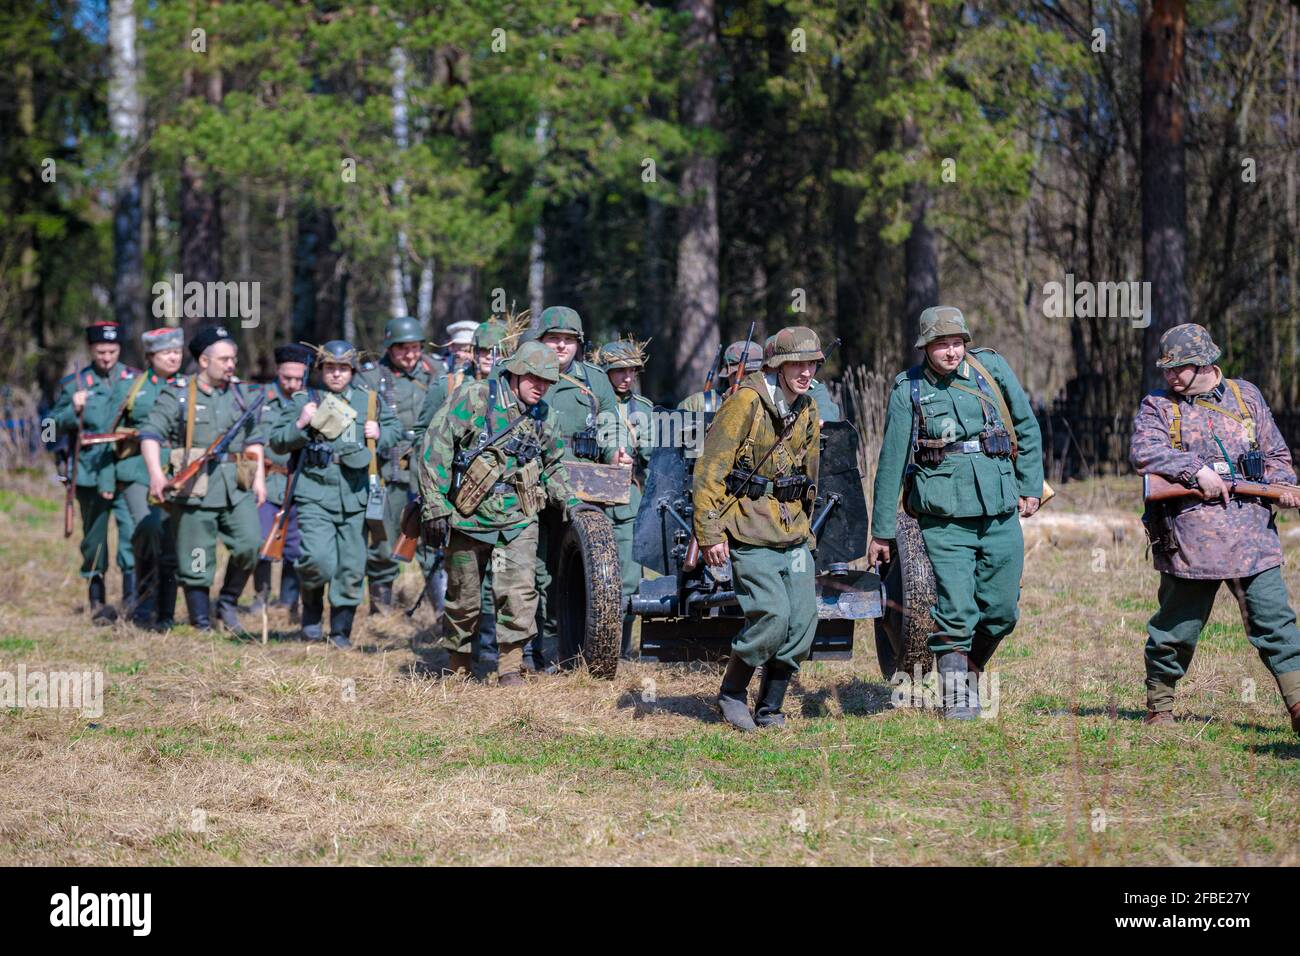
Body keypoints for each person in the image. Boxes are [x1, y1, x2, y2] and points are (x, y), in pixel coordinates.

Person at [868, 306, 1043, 719]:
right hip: (943, 516)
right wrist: (881, 532)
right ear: (925, 347)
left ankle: (970, 670)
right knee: (955, 610)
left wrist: (1030, 486)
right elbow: (891, 462)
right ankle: (959, 696)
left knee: (1001, 610)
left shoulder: (990, 369)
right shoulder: (908, 389)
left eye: (956, 342)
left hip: (1000, 507)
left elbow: (1027, 424)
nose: (951, 352)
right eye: (941, 344)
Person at [1130, 323, 1300, 733]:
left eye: (1180, 368)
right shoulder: (1158, 406)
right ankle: (1160, 708)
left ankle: (1298, 707)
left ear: (1205, 362)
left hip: (1253, 537)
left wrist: (1284, 485)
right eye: (1167, 369)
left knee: (1276, 623)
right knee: (1176, 628)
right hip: (1191, 539)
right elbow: (1144, 451)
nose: (1171, 376)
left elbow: (1274, 450)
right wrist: (1195, 470)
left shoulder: (1246, 396)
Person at [416, 340, 578, 685]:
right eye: (535, 378)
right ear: (516, 372)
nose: (541, 387)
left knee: (518, 593)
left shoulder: (543, 416)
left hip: (517, 520)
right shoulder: (474, 397)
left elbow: (553, 466)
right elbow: (436, 446)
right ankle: (459, 664)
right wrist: (435, 504)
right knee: (463, 596)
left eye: (548, 381)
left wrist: (572, 504)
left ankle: (510, 667)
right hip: (467, 517)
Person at [693, 326, 823, 731]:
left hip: (793, 532)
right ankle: (732, 693)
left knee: (802, 622)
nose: (804, 372)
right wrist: (709, 533)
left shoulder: (808, 408)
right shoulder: (744, 402)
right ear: (777, 366)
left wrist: (808, 531)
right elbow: (710, 469)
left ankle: (770, 706)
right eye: (796, 364)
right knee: (771, 614)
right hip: (750, 528)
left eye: (811, 364)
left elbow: (810, 474)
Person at [270, 340, 399, 648]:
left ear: (352, 370)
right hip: (315, 491)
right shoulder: (305, 398)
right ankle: (311, 616)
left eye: (343, 368)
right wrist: (301, 423)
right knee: (317, 560)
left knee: (351, 567)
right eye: (330, 368)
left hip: (355, 495)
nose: (337, 374)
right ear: (320, 370)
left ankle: (340, 632)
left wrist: (380, 434)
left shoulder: (369, 401)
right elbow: (277, 441)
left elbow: (397, 431)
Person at [138, 325, 268, 632]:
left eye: (233, 358)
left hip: (237, 483)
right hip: (195, 487)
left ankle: (227, 602)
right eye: (224, 359)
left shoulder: (240, 394)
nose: (231, 364)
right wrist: (157, 475)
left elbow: (253, 441)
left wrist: (259, 478)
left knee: (250, 543)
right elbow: (150, 434)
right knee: (196, 557)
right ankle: (200, 622)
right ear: (204, 361)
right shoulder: (180, 394)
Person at [526, 306, 631, 671]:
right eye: (553, 339)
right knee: (532, 570)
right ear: (541, 341)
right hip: (533, 486)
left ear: (578, 344)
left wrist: (618, 453)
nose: (560, 346)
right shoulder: (524, 373)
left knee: (573, 570)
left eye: (568, 340)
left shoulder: (595, 380)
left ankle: (569, 647)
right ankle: (529, 648)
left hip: (583, 487)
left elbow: (610, 425)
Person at [51, 321, 141, 624]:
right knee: (94, 538)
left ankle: (131, 601)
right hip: (89, 472)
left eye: (112, 351)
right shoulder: (74, 383)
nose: (106, 357)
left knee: (132, 533)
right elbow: (47, 429)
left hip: (125, 469)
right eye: (101, 351)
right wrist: (70, 412)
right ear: (91, 350)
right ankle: (97, 601)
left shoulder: (134, 380)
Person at [358, 317, 445, 613]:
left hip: (428, 467)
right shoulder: (371, 378)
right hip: (387, 469)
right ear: (389, 348)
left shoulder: (436, 370)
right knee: (383, 540)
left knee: (433, 539)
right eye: (402, 349)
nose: (410, 355)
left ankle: (440, 611)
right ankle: (381, 609)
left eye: (415, 348)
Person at [116, 327, 187, 629]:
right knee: (147, 529)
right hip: (137, 470)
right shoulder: (133, 386)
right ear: (150, 356)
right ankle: (143, 603)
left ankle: (166, 612)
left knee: (169, 538)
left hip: (178, 470)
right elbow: (110, 432)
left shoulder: (190, 387)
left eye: (177, 351)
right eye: (165, 352)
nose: (173, 357)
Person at [597, 337, 655, 659]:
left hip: (626, 504)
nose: (627, 377)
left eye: (631, 370)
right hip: (588, 499)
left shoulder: (642, 409)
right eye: (619, 371)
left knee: (628, 581)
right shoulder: (587, 403)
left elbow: (653, 460)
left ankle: (620, 651)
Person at [249, 343, 313, 621]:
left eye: (299, 378)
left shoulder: (312, 398)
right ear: (277, 372)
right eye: (287, 377)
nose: (293, 383)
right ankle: (260, 597)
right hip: (268, 478)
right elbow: (253, 441)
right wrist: (256, 479)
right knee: (262, 542)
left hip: (300, 480)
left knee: (295, 547)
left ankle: (288, 601)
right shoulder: (260, 398)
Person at [678, 340, 763, 413]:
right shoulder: (697, 404)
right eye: (746, 373)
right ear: (729, 375)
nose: (753, 378)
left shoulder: (768, 406)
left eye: (757, 373)